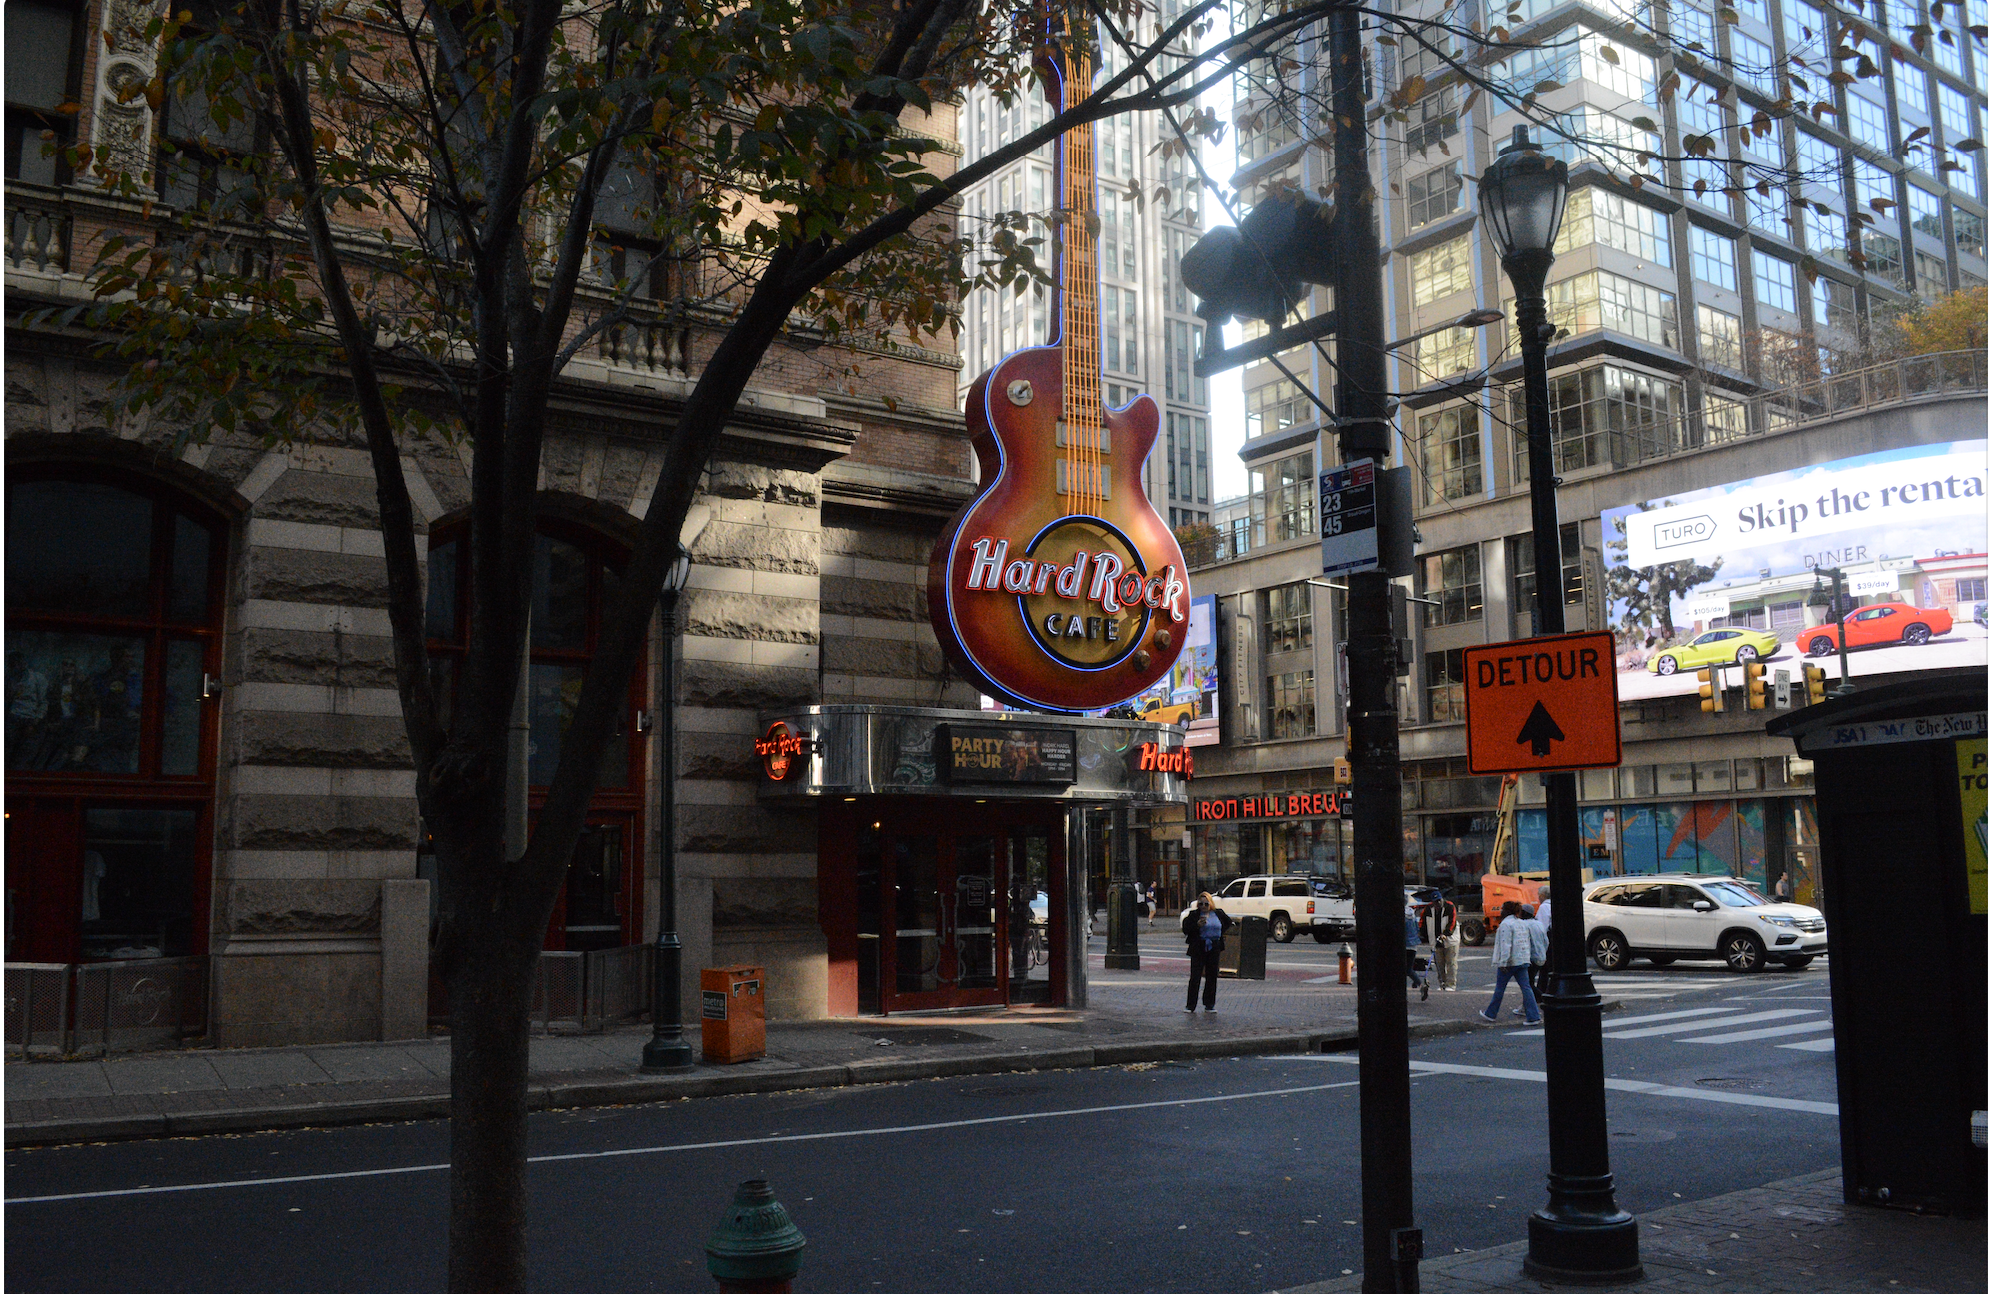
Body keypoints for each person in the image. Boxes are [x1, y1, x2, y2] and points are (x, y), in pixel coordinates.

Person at [1480, 900, 1541, 1025]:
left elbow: (1506, 944)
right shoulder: (1522, 923)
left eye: (1502, 909)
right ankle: (1533, 1016)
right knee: (1526, 988)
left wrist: (1503, 962)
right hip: (1523, 959)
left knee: (1500, 988)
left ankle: (1491, 1013)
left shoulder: (1505, 925)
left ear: (1506, 911)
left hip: (1510, 962)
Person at [1181, 892, 1232, 1014]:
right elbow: (1186, 929)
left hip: (1214, 947)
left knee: (1212, 976)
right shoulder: (1194, 915)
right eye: (1201, 904)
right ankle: (1190, 1005)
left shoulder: (1218, 913)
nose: (1203, 906)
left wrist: (1220, 934)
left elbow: (1228, 922)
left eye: (1206, 903)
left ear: (1211, 903)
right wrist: (1197, 925)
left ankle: (1209, 1004)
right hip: (1199, 946)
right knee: (1195, 976)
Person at [1419, 890, 1460, 991]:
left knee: (1451, 963)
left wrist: (1446, 934)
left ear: (1442, 899)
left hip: (1450, 941)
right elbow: (1422, 923)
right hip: (1435, 941)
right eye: (1435, 902)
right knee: (1439, 965)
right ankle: (1442, 984)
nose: (1438, 903)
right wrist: (1423, 936)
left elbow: (1452, 922)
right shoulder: (1428, 909)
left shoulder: (1449, 906)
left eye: (1439, 901)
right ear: (1432, 902)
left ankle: (1451, 985)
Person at [1404, 902, 1429, 1001]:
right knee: (1409, 968)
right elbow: (1417, 928)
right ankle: (1420, 984)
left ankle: (1403, 994)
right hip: (1413, 945)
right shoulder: (1412, 913)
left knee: (1400, 970)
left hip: (1404, 945)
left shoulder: (1398, 914)